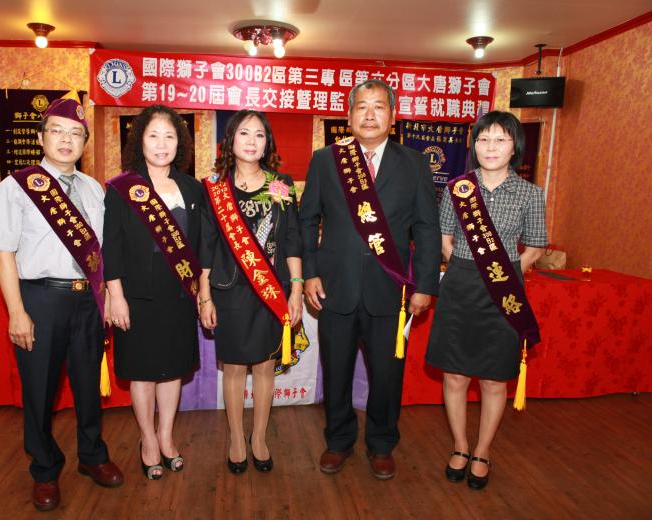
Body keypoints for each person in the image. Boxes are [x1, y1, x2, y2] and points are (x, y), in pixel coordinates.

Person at [0, 93, 123, 512]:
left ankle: (92, 455)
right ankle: (44, 469)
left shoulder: (94, 189)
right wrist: (17, 312)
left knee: (87, 386)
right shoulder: (18, 186)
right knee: (40, 391)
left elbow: (102, 252)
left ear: (84, 143)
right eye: (57, 131)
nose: (66, 140)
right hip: (40, 299)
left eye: (75, 133)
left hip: (87, 302)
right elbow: (2, 252)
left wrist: (108, 296)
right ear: (41, 138)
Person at [299, 79, 441, 480]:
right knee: (336, 370)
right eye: (361, 107)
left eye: (379, 107)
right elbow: (307, 220)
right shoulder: (326, 160)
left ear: (392, 117)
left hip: (390, 290)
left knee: (387, 375)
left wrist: (425, 285)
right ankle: (338, 440)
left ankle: (381, 444)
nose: (370, 114)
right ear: (349, 117)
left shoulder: (413, 163)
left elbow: (426, 228)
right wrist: (310, 273)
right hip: (335, 288)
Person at [425, 111, 546, 489]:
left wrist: (503, 274)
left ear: (515, 147)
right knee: (455, 373)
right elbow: (444, 239)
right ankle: (460, 445)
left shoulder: (530, 193)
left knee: (495, 378)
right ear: (474, 145)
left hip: (504, 293)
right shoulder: (458, 188)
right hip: (459, 287)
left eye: (500, 140)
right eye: (483, 139)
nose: (491, 147)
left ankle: (482, 450)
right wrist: (470, 266)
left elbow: (536, 246)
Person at [199, 110, 303, 474]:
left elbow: (292, 239)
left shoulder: (280, 184)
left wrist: (296, 289)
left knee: (264, 366)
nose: (252, 141)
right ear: (230, 141)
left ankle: (258, 437)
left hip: (271, 290)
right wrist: (204, 295)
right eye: (244, 133)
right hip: (229, 291)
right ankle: (236, 438)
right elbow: (206, 244)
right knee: (233, 368)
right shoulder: (214, 187)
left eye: (259, 135)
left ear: (267, 143)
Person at [103, 105, 202, 480]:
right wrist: (116, 295)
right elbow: (111, 247)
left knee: (172, 369)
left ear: (180, 142)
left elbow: (199, 246)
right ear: (140, 141)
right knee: (143, 371)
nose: (162, 144)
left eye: (170, 136)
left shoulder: (191, 188)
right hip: (137, 296)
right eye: (153, 136)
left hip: (179, 294)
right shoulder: (121, 188)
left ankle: (166, 436)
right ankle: (147, 440)